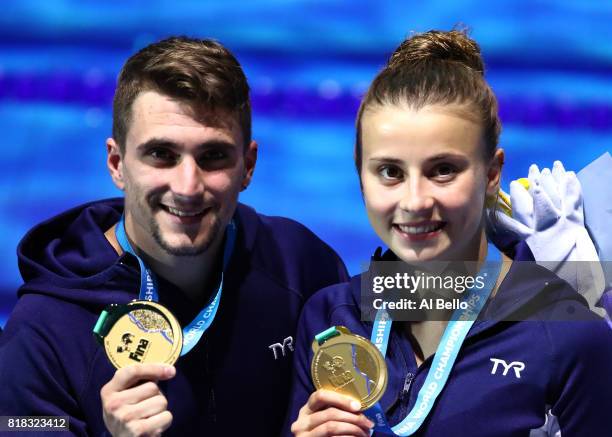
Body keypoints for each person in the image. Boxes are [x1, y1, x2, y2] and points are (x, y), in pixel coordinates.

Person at [0, 36, 348, 436]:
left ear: (248, 166)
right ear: (117, 163)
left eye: (213, 156)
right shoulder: (41, 334)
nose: (187, 186)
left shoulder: (301, 263)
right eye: (161, 154)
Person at [285, 30, 612, 436]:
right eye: (390, 172)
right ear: (360, 176)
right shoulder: (332, 316)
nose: (415, 200)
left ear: (492, 174)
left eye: (443, 170)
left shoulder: (568, 337)